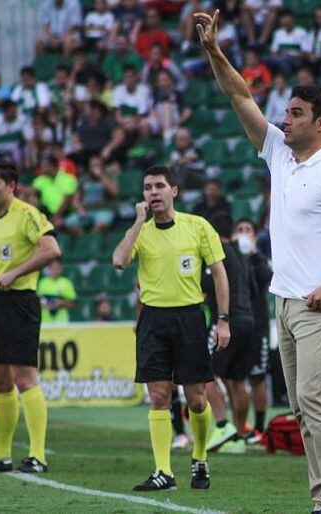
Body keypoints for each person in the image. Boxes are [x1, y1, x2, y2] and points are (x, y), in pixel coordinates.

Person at [196, 10, 321, 513]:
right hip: (285, 302)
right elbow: (239, 95)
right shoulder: (278, 151)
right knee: (302, 407)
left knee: (317, 401)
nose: (284, 118)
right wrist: (214, 50)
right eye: (287, 111)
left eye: (296, 113)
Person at [111, 165, 230, 492]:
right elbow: (119, 261)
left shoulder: (198, 226)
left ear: (174, 191)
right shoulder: (141, 231)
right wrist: (137, 222)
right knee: (159, 397)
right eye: (148, 187)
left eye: (159, 186)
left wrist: (223, 320)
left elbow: (219, 273)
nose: (153, 192)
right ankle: (163, 471)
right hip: (153, 320)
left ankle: (200, 456)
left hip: (190, 317)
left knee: (196, 400)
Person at [0, 160, 61, 474]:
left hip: (20, 302)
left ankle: (37, 456)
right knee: (0, 381)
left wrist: (16, 272)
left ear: (11, 186)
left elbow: (51, 249)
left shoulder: (27, 214)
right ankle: (0, 455)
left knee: (23, 377)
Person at [203, 214, 259, 453]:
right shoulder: (241, 257)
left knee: (204, 372)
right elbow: (256, 290)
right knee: (237, 381)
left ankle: (222, 425)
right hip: (248, 320)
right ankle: (238, 435)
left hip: (227, 321)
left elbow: (204, 289)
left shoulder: (217, 255)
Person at [234, 218, 273, 443]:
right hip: (236, 325)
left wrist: (255, 253)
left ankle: (258, 428)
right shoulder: (229, 259)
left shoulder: (260, 260)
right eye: (240, 230)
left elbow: (266, 280)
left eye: (248, 230)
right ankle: (238, 428)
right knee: (235, 378)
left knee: (257, 377)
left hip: (257, 326)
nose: (244, 234)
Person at [37, 257, 77, 324]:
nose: (55, 270)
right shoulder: (42, 283)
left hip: (62, 321)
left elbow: (73, 304)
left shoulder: (66, 283)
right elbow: (37, 301)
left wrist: (61, 302)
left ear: (61, 268)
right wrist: (45, 304)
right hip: (45, 322)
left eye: (57, 268)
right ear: (49, 269)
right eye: (53, 268)